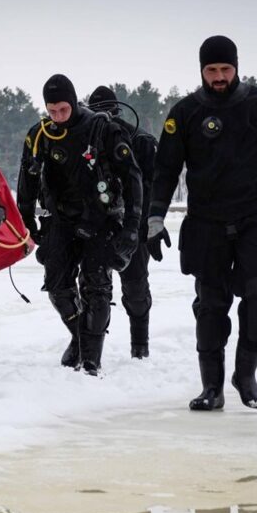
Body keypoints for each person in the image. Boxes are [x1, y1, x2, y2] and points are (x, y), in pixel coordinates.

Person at [147, 35, 257, 410]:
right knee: (211, 303)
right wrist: (155, 217)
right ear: (201, 70)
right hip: (206, 220)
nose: (219, 77)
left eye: (225, 69)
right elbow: (166, 168)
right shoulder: (184, 113)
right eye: (211, 70)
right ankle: (212, 388)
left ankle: (245, 375)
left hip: (254, 215)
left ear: (236, 67)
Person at [17, 74, 143, 375]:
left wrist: (132, 225)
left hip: (101, 217)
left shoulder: (102, 129)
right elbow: (27, 179)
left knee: (96, 287)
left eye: (63, 109)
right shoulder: (41, 134)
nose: (58, 117)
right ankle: (79, 337)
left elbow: (132, 177)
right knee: (57, 285)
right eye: (52, 111)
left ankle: (90, 361)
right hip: (62, 218)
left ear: (74, 103)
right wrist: (26, 220)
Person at [89, 86, 158, 358]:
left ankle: (140, 346)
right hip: (97, 224)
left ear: (117, 111)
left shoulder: (141, 141)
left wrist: (149, 225)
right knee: (93, 289)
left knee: (135, 287)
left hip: (134, 224)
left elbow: (153, 187)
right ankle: (87, 349)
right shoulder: (85, 139)